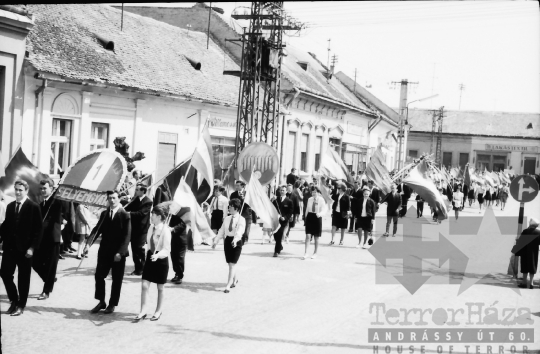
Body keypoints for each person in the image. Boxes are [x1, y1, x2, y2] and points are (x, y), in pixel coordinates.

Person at [0, 180, 43, 316]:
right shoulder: (11, 206)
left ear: (26, 191)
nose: (17, 192)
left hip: (25, 251)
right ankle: (13, 300)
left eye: (20, 190)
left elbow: (38, 230)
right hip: (10, 249)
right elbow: (6, 226)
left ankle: (21, 305)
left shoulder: (33, 207)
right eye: (16, 189)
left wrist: (32, 248)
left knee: (23, 278)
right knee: (5, 274)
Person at [86, 190, 131, 314]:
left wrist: (120, 253)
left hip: (118, 254)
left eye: (114, 198)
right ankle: (101, 301)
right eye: (109, 198)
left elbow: (127, 236)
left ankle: (112, 304)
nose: (111, 200)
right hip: (104, 251)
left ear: (118, 199)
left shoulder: (124, 215)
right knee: (99, 276)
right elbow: (97, 229)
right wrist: (88, 244)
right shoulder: (105, 214)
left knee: (117, 279)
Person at [32, 178, 69, 301]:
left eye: (45, 188)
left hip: (53, 238)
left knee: (51, 265)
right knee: (35, 262)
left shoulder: (56, 201)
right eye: (41, 188)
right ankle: (50, 279)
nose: (42, 191)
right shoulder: (41, 204)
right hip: (42, 239)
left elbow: (64, 208)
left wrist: (58, 192)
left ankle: (46, 291)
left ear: (51, 189)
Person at [134, 204, 172, 321]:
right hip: (151, 257)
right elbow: (150, 243)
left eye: (153, 215)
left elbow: (167, 249)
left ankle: (158, 311)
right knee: (145, 285)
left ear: (159, 217)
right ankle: (143, 310)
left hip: (161, 259)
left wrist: (158, 255)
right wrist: (145, 247)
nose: (151, 216)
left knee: (160, 287)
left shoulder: (165, 230)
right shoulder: (151, 227)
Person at [212, 199, 245, 293]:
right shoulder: (227, 219)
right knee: (230, 263)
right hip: (227, 241)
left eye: (231, 206)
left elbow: (240, 232)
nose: (229, 208)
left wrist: (235, 240)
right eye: (229, 206)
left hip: (236, 242)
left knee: (232, 264)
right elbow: (222, 230)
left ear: (236, 208)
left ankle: (228, 285)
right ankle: (235, 280)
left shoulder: (241, 219)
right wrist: (216, 240)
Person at [125, 184, 152, 276]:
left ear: (143, 191)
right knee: (134, 249)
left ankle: (142, 268)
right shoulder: (135, 199)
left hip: (142, 229)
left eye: (137, 189)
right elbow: (128, 208)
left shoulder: (148, 202)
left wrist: (129, 214)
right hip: (133, 228)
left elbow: (141, 213)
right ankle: (138, 268)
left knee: (139, 249)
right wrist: (122, 208)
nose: (135, 191)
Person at [512, 218, 540, 289]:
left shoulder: (525, 231)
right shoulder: (538, 232)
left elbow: (520, 242)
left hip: (525, 251)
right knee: (532, 266)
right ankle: (531, 283)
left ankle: (524, 282)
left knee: (524, 266)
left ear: (530, 224)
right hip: (534, 252)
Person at [303, 187, 327, 259]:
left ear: (318, 192)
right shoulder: (310, 199)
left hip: (317, 217)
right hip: (310, 217)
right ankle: (306, 252)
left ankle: (315, 252)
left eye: (315, 192)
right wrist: (305, 217)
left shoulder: (321, 200)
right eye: (313, 192)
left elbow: (324, 210)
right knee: (308, 236)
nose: (314, 193)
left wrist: (320, 214)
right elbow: (307, 209)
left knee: (316, 237)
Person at [271, 185, 293, 257]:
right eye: (281, 190)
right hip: (276, 221)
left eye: (283, 190)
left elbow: (290, 212)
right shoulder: (276, 200)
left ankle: (276, 251)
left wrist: (285, 218)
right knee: (275, 235)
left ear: (286, 191)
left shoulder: (289, 201)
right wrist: (272, 200)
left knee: (280, 235)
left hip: (283, 222)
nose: (282, 191)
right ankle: (280, 246)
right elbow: (272, 208)